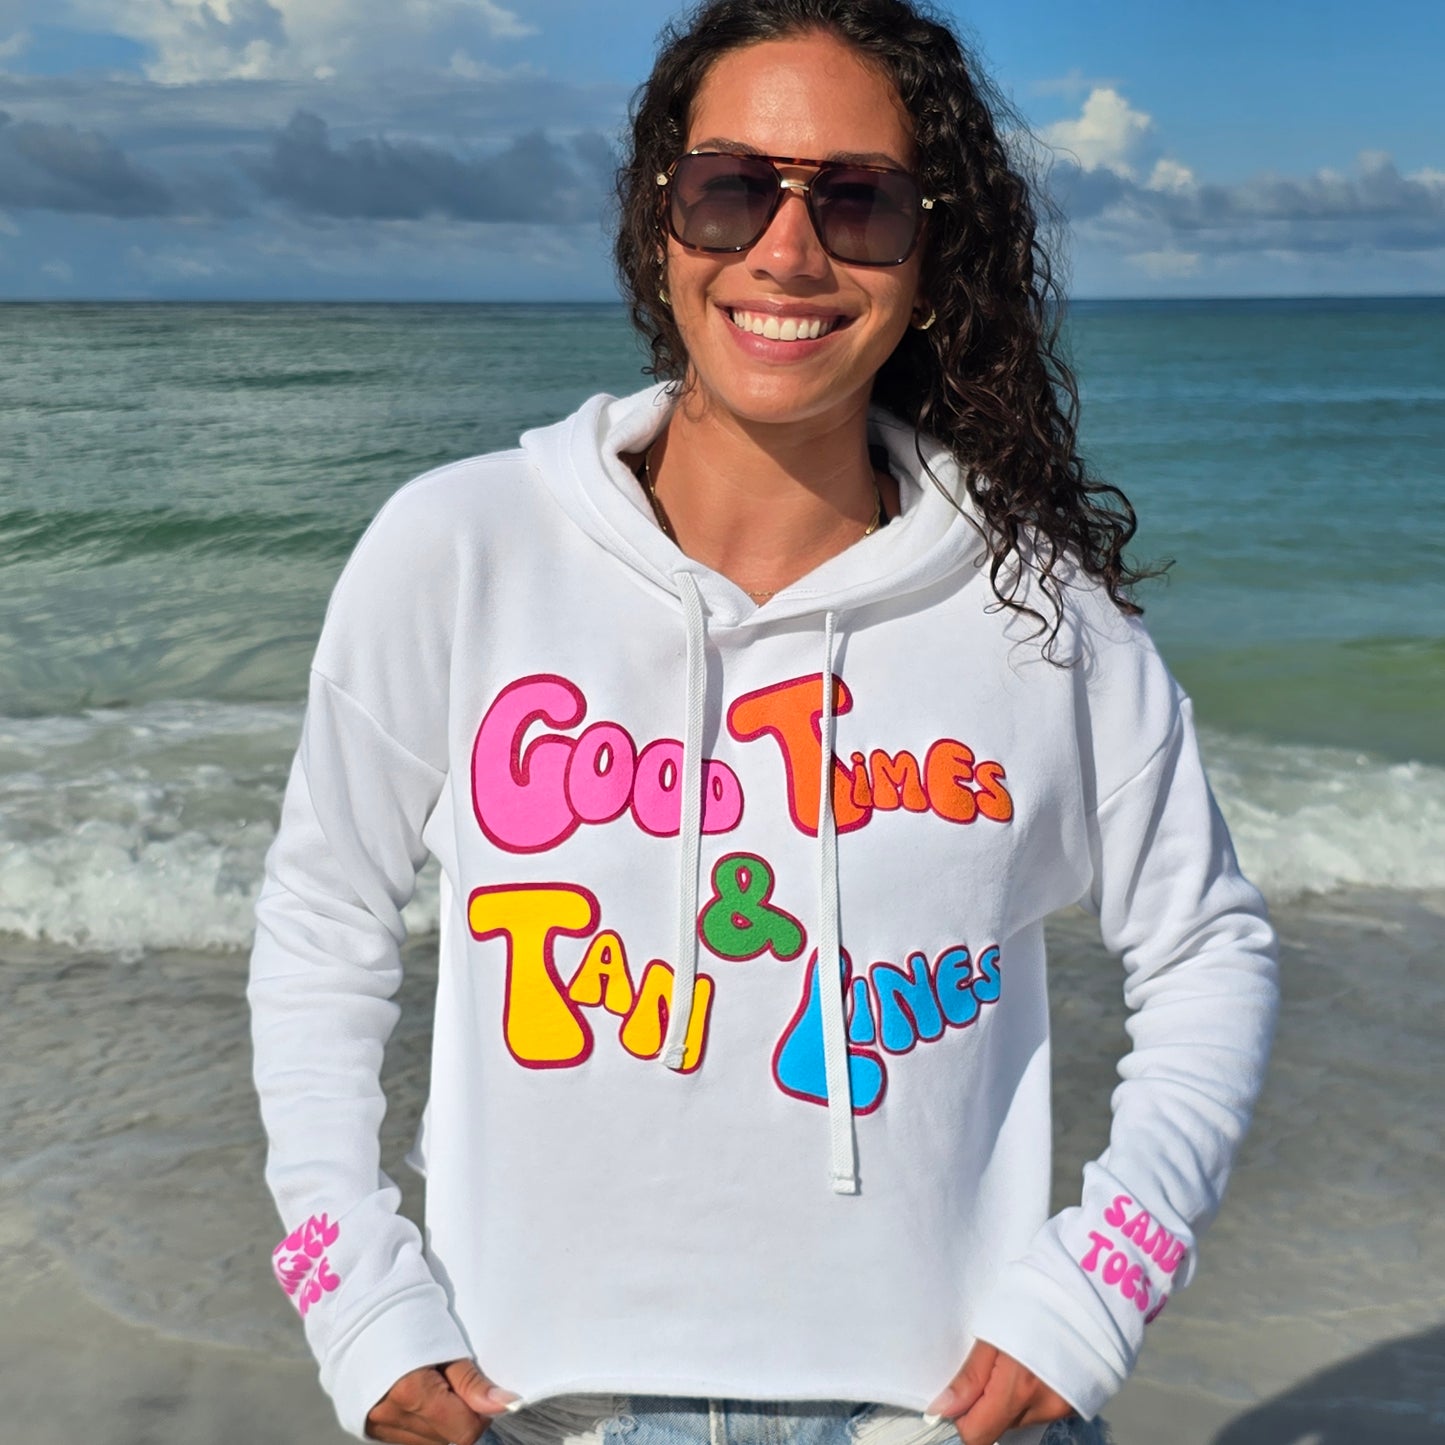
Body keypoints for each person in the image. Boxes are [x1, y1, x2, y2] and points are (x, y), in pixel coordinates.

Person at [248, 3, 1278, 1445]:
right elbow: (320, 921)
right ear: (658, 222)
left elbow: (1207, 945)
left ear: (930, 261)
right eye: (732, 187)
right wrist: (352, 1297)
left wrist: (1102, 1280)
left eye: (858, 201)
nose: (786, 252)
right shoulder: (460, 549)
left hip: (933, 1417)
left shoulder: (1040, 611)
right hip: (542, 1404)